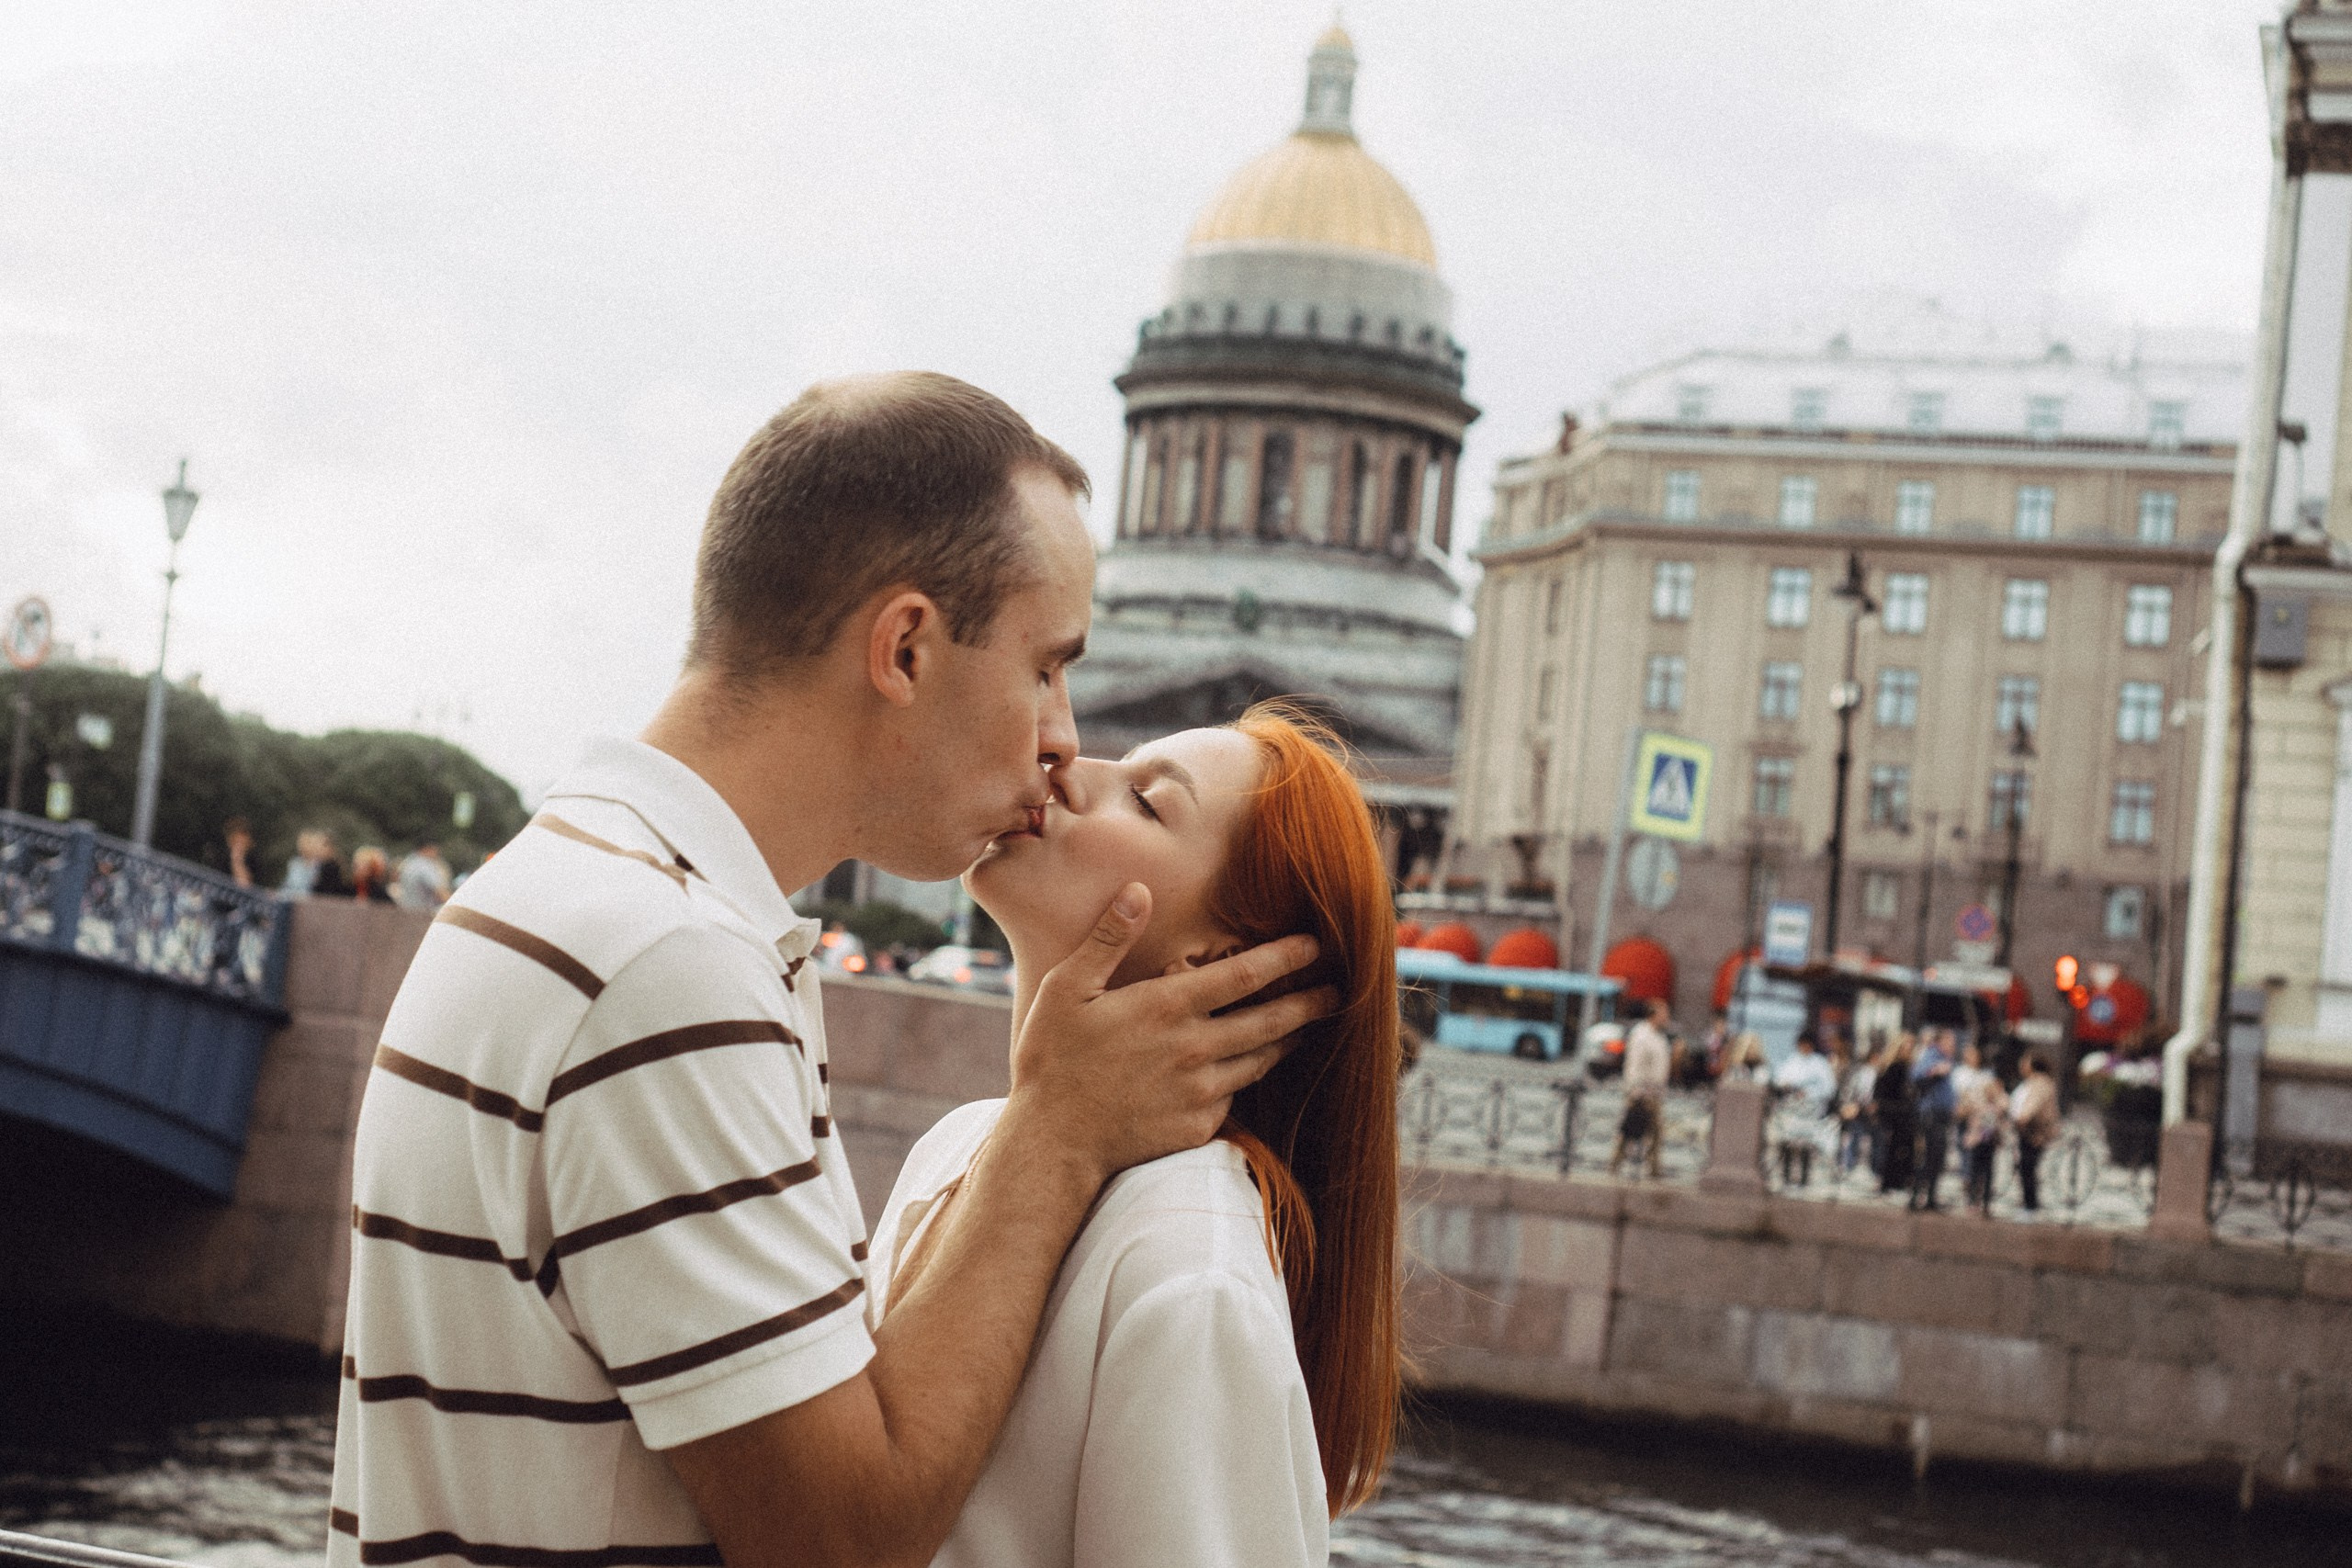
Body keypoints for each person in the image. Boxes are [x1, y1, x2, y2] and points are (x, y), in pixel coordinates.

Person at [328, 374, 1332, 1568]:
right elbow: (842, 1545)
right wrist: (1056, 1131)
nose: (1065, 737)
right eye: (1047, 666)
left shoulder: (552, 890)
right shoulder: (667, 969)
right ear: (905, 646)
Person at [872, 705, 1396, 1564]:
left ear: (1215, 960)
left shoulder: (1192, 1270)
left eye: (1148, 801)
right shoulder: (959, 1146)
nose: (1071, 768)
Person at [1611, 998, 1672, 1179]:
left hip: (1655, 1093)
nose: (1667, 1017)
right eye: (1664, 1013)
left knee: (1655, 1132)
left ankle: (1653, 1169)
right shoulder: (1641, 1035)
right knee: (1631, 1128)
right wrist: (1635, 1090)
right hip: (1642, 1093)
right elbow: (1634, 1065)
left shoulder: (1658, 1036)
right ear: (1653, 1015)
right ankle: (1616, 1164)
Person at [1770, 1030, 1838, 1188]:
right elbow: (1780, 1080)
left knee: (1806, 1144)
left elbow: (1829, 1088)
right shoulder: (1791, 1061)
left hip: (1810, 1110)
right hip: (1792, 1109)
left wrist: (1809, 1093)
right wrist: (1788, 1088)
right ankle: (1786, 1177)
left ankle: (1804, 1179)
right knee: (1788, 1142)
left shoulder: (1820, 1063)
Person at [1956, 1046, 2008, 1216]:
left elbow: (2005, 1109)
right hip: (1978, 1141)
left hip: (1989, 1142)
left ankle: (1984, 1203)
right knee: (1975, 1170)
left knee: (1986, 1173)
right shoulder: (1980, 1104)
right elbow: (1966, 1110)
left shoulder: (1997, 1105)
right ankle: (1973, 1201)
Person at [1910, 1029, 1958, 1212]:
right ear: (1940, 1042)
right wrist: (1935, 1070)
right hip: (1932, 1114)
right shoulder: (1932, 1055)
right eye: (1950, 1042)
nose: (1953, 1047)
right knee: (1929, 1156)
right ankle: (1917, 1197)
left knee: (1937, 1157)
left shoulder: (1946, 1059)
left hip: (1941, 1114)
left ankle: (1930, 1197)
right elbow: (1917, 1075)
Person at [2008, 1053, 2061, 1213]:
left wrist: (2022, 1117)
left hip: (2034, 1133)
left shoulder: (2040, 1083)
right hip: (2028, 1131)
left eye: (2025, 1063)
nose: (2022, 1066)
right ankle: (2028, 1203)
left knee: (2028, 1167)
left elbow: (2032, 1106)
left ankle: (2030, 1206)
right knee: (2026, 1167)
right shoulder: (2033, 1082)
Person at [1874, 1032, 1918, 1195]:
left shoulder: (1908, 1068)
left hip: (1903, 1115)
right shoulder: (1893, 1068)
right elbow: (1883, 1094)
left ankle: (1897, 1182)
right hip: (1894, 1115)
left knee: (1902, 1150)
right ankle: (1889, 1183)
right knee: (1891, 1150)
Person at [1836, 1037, 1880, 1177]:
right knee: (1855, 1137)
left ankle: (1856, 1166)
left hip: (1866, 1108)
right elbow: (1859, 1091)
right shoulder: (1866, 1072)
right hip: (1860, 1108)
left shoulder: (1871, 1072)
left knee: (1863, 1138)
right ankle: (1849, 1166)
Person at [393, 841, 453, 910]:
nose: (436, 855)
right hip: (424, 914)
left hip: (406, 912)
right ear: (427, 849)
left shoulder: (408, 863)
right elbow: (441, 892)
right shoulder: (425, 866)